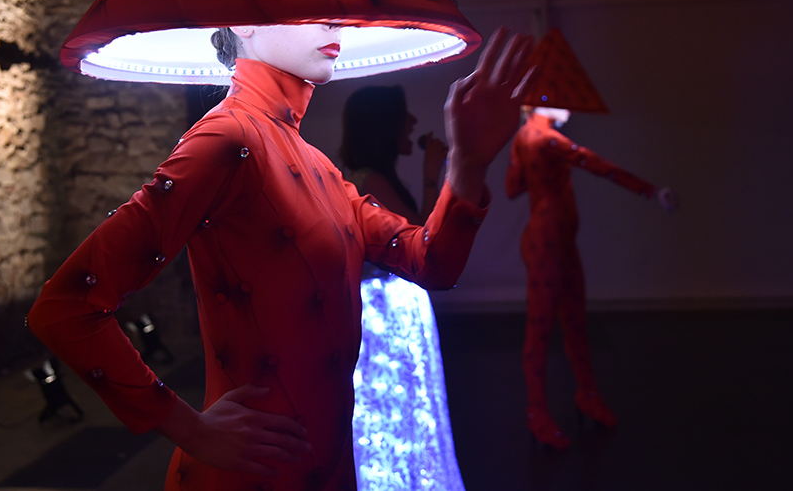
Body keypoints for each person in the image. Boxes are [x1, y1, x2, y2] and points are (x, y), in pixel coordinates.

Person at [28, 24, 535, 490]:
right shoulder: (226, 139)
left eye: (334, 6)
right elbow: (67, 306)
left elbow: (431, 263)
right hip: (247, 472)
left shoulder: (317, 165)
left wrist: (468, 164)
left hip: (329, 466)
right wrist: (188, 428)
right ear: (243, 22)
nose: (333, 22)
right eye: (306, 6)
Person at [505, 105, 677, 449]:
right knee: (545, 326)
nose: (569, 106)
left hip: (555, 239)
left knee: (571, 321)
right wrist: (650, 190)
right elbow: (595, 163)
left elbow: (513, 187)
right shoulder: (548, 139)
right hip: (547, 242)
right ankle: (538, 410)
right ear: (540, 100)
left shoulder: (526, 138)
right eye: (560, 98)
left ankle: (584, 394)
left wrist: (541, 173)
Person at [340, 86, 465, 491]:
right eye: (403, 116)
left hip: (389, 307)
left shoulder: (370, 177)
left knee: (401, 409)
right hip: (386, 312)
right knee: (399, 410)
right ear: (384, 126)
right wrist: (434, 173)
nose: (412, 123)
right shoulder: (371, 180)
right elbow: (423, 243)